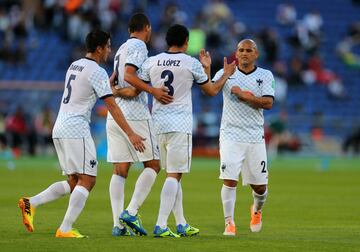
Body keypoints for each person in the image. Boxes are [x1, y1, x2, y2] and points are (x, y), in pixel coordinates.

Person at [18, 28, 145, 238]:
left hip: (60, 126)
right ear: (99, 48)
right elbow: (113, 106)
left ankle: (31, 203)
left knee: (75, 181)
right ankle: (65, 228)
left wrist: (108, 79)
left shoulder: (74, 65)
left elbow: (86, 88)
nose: (109, 50)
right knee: (88, 180)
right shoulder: (96, 71)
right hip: (76, 128)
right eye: (108, 46)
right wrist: (131, 133)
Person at [139, 24, 236, 237]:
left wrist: (207, 69)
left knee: (173, 174)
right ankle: (161, 225)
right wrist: (225, 74)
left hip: (157, 124)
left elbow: (137, 83)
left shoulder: (152, 61)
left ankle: (181, 223)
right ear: (186, 42)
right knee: (174, 175)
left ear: (167, 41)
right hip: (180, 125)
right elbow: (211, 90)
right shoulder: (190, 63)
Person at [106, 13, 173, 237]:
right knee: (154, 165)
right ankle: (131, 212)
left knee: (120, 169)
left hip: (115, 114)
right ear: (147, 28)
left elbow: (118, 81)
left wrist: (116, 92)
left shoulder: (120, 48)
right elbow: (130, 75)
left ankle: (118, 225)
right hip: (135, 114)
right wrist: (153, 90)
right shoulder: (139, 46)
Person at [212, 39, 275, 236]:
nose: (244, 53)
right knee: (229, 179)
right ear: (236, 53)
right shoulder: (225, 73)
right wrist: (211, 71)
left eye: (249, 50)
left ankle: (256, 210)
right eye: (241, 50)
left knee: (260, 187)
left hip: (255, 135)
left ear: (256, 54)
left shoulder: (265, 75)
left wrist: (246, 96)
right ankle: (229, 222)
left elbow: (268, 103)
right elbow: (211, 91)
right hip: (230, 134)